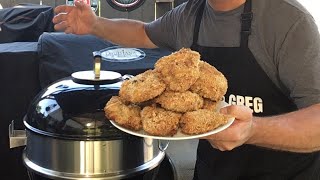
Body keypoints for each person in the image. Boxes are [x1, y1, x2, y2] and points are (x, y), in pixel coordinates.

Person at [53, 0, 320, 179]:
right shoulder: (191, 14)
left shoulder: (287, 21)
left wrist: (252, 130)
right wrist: (95, 25)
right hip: (211, 171)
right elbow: (144, 33)